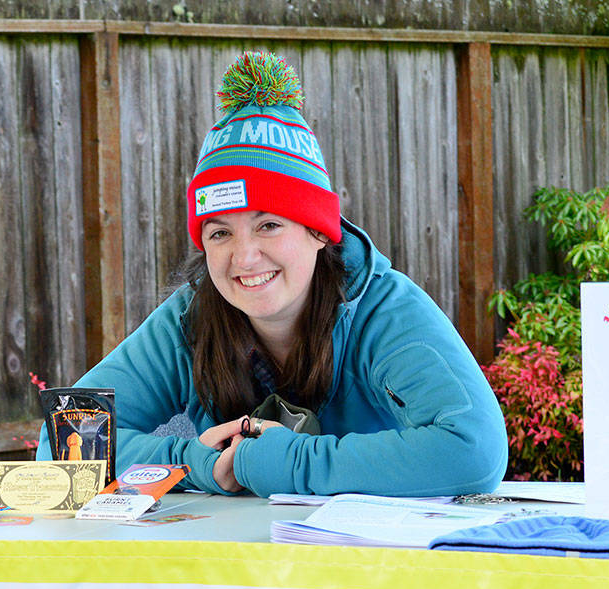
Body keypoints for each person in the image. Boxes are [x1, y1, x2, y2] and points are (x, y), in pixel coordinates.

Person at [39, 51, 507, 497]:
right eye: (220, 233)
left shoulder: (384, 310)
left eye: (268, 225)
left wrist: (290, 463)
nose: (244, 258)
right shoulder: (190, 318)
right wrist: (193, 463)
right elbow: (65, 438)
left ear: (319, 232)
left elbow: (475, 452)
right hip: (234, 571)